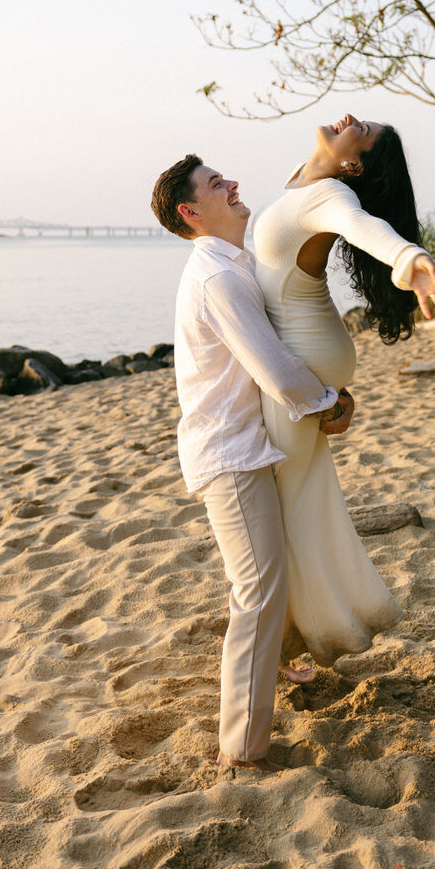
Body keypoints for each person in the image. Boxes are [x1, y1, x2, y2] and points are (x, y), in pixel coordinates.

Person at [150, 155, 354, 774]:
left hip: (250, 444)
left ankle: (284, 665)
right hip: (231, 456)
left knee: (274, 573)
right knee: (258, 593)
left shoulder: (233, 264)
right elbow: (271, 364)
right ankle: (241, 749)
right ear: (192, 212)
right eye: (217, 184)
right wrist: (327, 402)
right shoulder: (218, 279)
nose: (233, 184)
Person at [252, 112, 435, 670]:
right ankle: (313, 631)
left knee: (284, 509)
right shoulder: (305, 180)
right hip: (306, 350)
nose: (347, 118)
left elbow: (367, 228)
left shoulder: (331, 194)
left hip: (302, 354)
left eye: (360, 129)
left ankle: (298, 641)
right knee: (299, 501)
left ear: (354, 161)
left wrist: (409, 259)